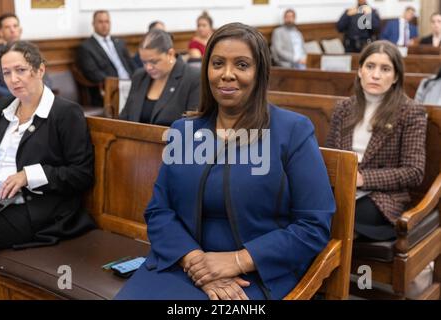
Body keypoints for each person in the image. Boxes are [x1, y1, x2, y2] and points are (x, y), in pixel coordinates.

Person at [115, 22, 335, 300]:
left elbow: (313, 226)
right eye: (217, 63)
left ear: (260, 73)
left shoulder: (292, 131)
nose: (227, 74)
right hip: (181, 263)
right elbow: (159, 210)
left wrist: (238, 260)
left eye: (242, 65)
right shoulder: (184, 131)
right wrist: (196, 262)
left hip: (257, 274)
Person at [0, 41, 95, 252]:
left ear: (40, 70)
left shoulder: (66, 113)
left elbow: (81, 174)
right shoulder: (4, 106)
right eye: (7, 72)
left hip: (35, 208)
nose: (13, 79)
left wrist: (28, 175)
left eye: (21, 70)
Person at [326, 40, 427, 241]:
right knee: (302, 207)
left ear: (396, 76)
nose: (376, 75)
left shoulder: (410, 112)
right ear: (359, 70)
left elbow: (414, 172)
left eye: (385, 69)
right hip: (342, 189)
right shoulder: (343, 108)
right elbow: (331, 157)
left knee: (340, 216)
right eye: (370, 66)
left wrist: (363, 179)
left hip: (383, 198)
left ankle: (329, 270)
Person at [120, 29, 200, 126]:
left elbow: (193, 125)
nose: (148, 67)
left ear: (170, 54)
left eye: (154, 62)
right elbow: (124, 118)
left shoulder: (193, 78)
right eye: (144, 62)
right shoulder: (139, 76)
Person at [76, 10, 135, 106]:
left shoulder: (119, 43)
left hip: (132, 85)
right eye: (100, 22)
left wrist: (138, 80)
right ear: (93, 24)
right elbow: (92, 73)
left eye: (107, 22)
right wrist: (117, 84)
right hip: (111, 90)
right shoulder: (86, 47)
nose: (104, 25)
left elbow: (131, 65)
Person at [0, 13, 23, 101]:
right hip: (6, 102)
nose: (12, 30)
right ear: (1, 33)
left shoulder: (32, 51)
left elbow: (45, 81)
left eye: (15, 26)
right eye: (7, 27)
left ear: (20, 30)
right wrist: (20, 94)